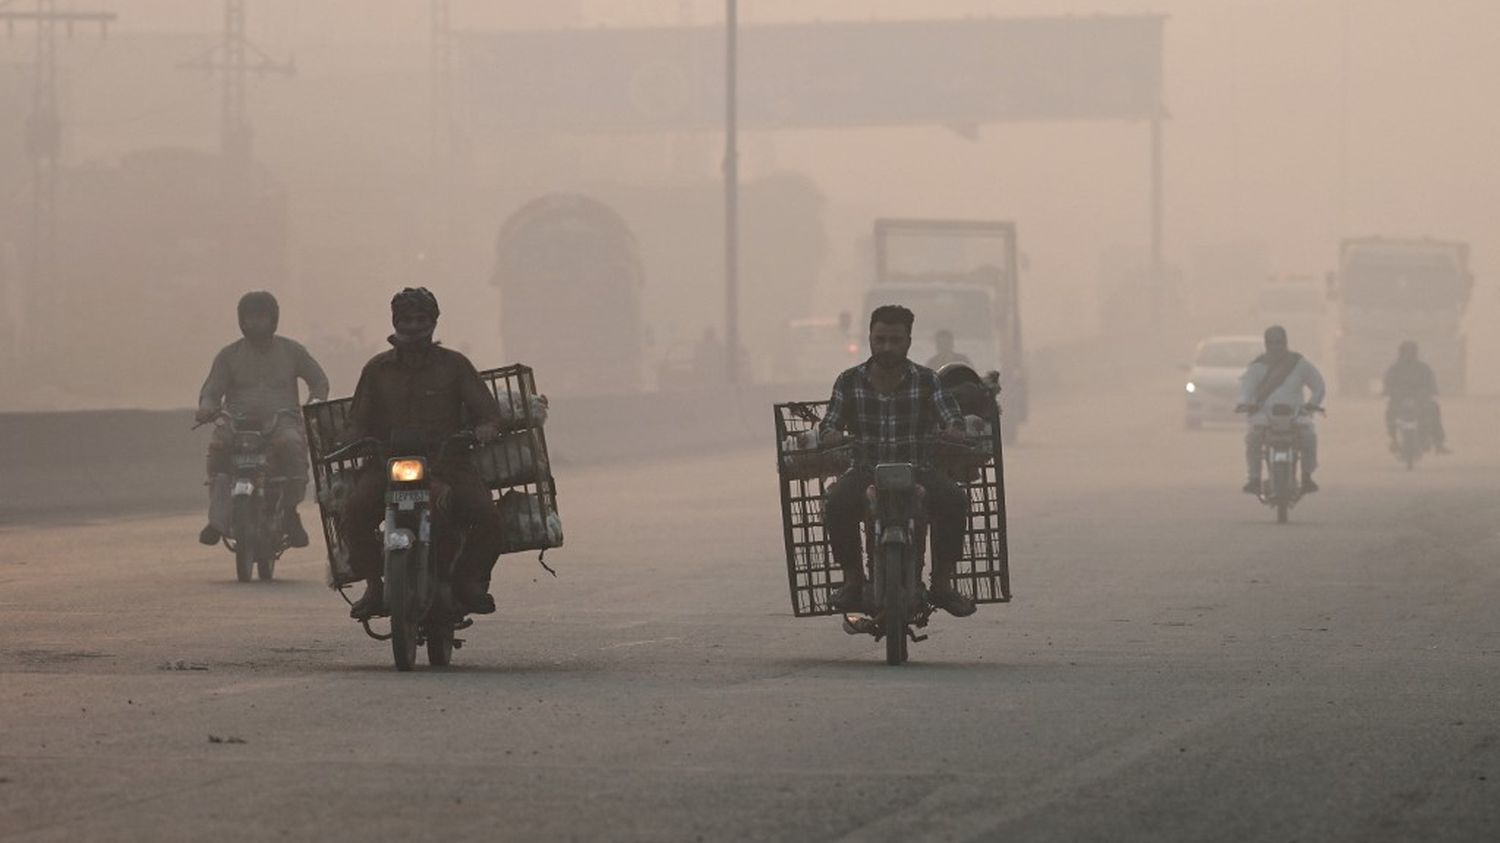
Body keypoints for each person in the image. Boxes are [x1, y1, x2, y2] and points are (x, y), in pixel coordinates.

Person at [339, 288, 505, 620]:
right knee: (353, 513)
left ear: (433, 322)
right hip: (388, 464)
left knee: (489, 517)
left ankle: (470, 580)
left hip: (448, 464)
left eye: (420, 319)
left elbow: (487, 412)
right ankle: (374, 585)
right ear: (395, 322)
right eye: (406, 319)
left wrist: (485, 427)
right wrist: (355, 440)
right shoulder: (376, 370)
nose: (413, 327)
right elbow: (357, 420)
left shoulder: (455, 365)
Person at [819, 305, 976, 618]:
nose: (886, 347)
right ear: (870, 339)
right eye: (880, 339)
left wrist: (955, 431)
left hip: (919, 470)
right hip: (865, 471)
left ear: (908, 341)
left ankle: (942, 584)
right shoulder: (849, 381)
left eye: (894, 340)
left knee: (955, 500)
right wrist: (831, 435)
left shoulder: (928, 380)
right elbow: (830, 424)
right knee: (836, 502)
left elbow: (952, 417)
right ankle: (852, 580)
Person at [196, 291, 329, 548]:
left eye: (261, 318)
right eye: (249, 319)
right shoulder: (228, 355)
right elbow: (212, 391)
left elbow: (319, 381)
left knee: (292, 446)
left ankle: (290, 513)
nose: (254, 324)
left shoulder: (293, 351)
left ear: (273, 320)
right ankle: (217, 520)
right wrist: (207, 407)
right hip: (236, 424)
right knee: (218, 450)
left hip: (282, 423)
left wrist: (315, 402)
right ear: (241, 321)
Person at [1237, 325, 1326, 494]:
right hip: (1264, 414)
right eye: (1271, 343)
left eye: (1279, 342)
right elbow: (1246, 389)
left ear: (1285, 343)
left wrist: (1311, 404)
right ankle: (1254, 478)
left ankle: (1306, 477)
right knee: (1253, 438)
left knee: (1309, 436)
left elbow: (1319, 386)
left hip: (1296, 414)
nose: (1275, 346)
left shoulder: (1299, 364)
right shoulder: (1257, 366)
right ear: (1266, 344)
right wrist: (1245, 403)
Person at [1382, 340, 1449, 454]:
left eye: (1411, 351)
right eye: (1406, 351)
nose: (1409, 354)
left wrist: (1433, 391)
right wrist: (1386, 392)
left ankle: (1438, 443)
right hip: (1400, 401)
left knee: (1434, 409)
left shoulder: (1423, 368)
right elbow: (1388, 384)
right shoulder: (1394, 369)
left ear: (1415, 353)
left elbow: (1431, 382)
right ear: (1401, 353)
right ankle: (1394, 440)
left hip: (1420, 401)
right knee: (1390, 413)